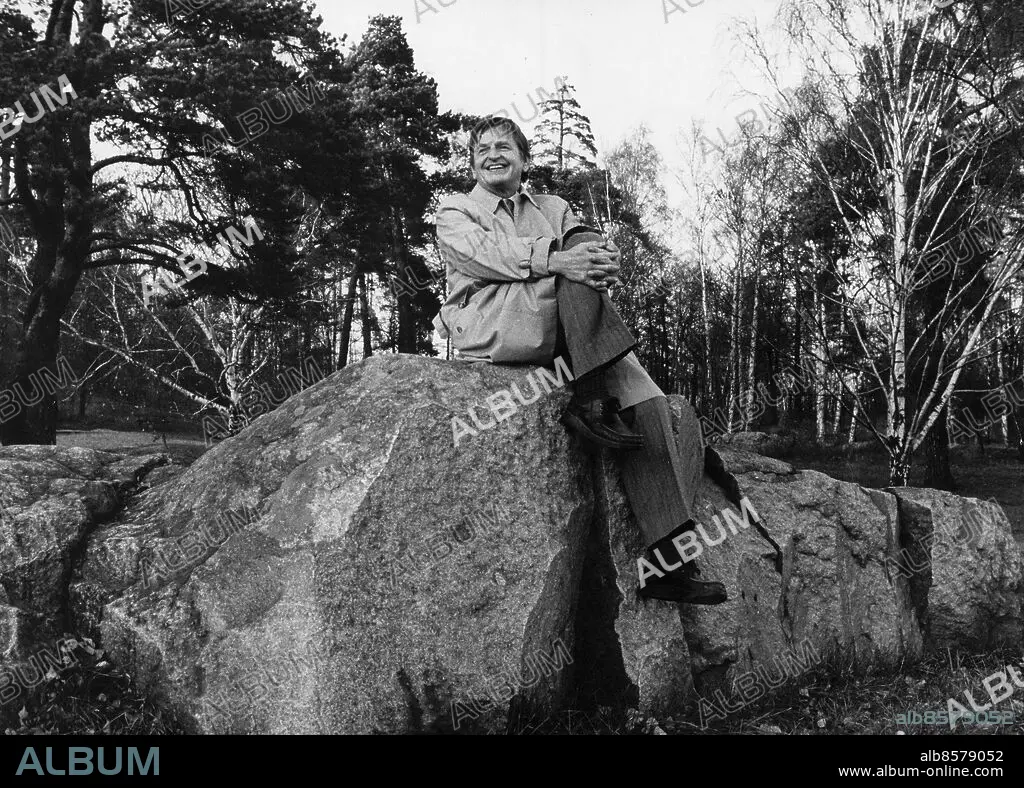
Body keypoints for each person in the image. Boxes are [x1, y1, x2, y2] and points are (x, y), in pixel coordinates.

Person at [433, 116, 732, 604]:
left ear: (523, 159)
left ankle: (667, 564)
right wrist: (560, 260)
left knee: (649, 402)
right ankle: (589, 396)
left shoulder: (552, 206)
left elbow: (585, 242)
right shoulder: (456, 210)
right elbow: (483, 255)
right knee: (575, 273)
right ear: (471, 161)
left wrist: (597, 254)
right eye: (482, 148)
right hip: (492, 323)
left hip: (566, 333)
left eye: (504, 147)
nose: (493, 155)